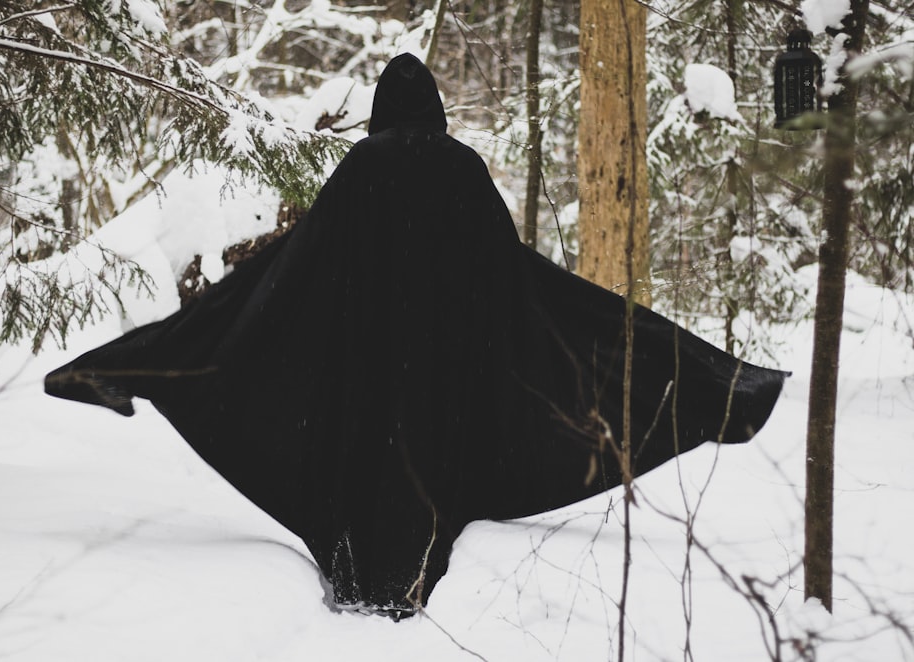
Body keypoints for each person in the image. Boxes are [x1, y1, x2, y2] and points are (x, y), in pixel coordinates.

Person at [46, 53, 787, 620]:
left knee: (364, 457)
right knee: (443, 460)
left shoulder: (362, 166)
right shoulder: (460, 167)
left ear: (379, 110)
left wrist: (168, 349)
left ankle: (360, 575)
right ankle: (726, 396)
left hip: (365, 372)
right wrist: (673, 363)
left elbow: (286, 276)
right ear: (433, 109)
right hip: (449, 376)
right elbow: (516, 278)